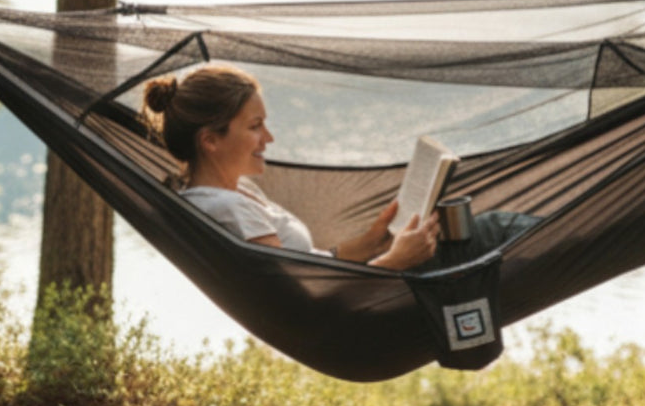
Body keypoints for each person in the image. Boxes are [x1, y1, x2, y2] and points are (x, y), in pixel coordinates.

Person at [141, 64, 441, 270]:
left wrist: (372, 244)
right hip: (357, 315)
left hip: (365, 290)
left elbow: (308, 265)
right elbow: (305, 299)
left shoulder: (232, 192)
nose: (268, 138)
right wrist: (396, 260)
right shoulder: (229, 209)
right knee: (480, 235)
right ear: (210, 141)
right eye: (255, 126)